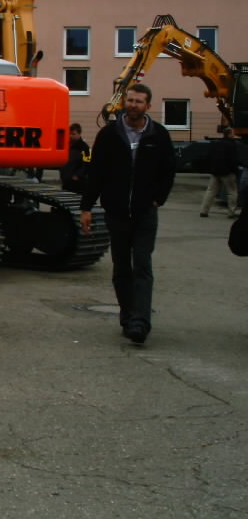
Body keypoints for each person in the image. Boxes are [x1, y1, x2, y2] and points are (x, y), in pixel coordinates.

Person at [80, 83, 176, 345]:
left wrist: (158, 198)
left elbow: (168, 169)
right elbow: (96, 173)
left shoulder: (158, 135)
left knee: (142, 265)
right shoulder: (110, 134)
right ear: (124, 102)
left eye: (139, 101)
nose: (133, 105)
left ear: (148, 105)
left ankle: (140, 321)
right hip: (117, 212)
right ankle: (127, 315)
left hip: (145, 212)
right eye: (130, 100)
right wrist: (86, 207)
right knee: (122, 266)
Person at [200, 127, 239, 219]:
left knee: (210, 191)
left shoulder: (216, 143)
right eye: (233, 133)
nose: (234, 134)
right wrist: (235, 171)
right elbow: (233, 160)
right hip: (228, 172)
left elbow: (209, 156)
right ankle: (231, 212)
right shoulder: (232, 145)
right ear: (229, 134)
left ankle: (204, 211)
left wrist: (211, 169)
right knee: (232, 192)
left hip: (215, 172)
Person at [60, 122, 91, 194]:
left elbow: (87, 164)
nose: (70, 136)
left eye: (73, 134)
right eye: (69, 133)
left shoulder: (84, 147)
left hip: (78, 183)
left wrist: (78, 175)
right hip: (66, 180)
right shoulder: (67, 145)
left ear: (79, 134)